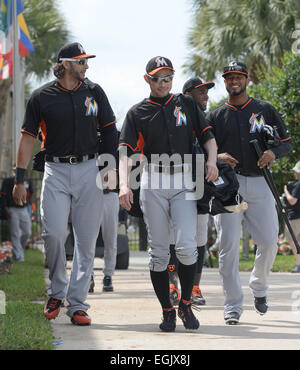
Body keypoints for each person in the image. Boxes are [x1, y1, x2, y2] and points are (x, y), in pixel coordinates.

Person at [12, 42, 118, 326]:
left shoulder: (95, 92)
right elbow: (27, 139)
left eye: (86, 62)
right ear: (67, 64)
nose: (87, 66)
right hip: (55, 170)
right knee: (54, 233)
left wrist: (110, 168)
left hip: (89, 168)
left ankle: (78, 304)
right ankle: (57, 292)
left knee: (86, 241)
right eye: (82, 61)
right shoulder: (41, 97)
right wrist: (20, 178)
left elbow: (110, 131)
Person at [119, 56, 218, 332]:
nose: (162, 83)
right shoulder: (137, 112)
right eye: (157, 78)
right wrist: (125, 185)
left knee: (187, 246)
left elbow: (208, 136)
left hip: (185, 176)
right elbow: (125, 151)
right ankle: (167, 310)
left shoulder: (186, 103)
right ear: (147, 79)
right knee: (159, 253)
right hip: (154, 178)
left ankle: (185, 303)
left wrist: (211, 160)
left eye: (167, 78)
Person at [206, 61, 292, 325]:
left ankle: (259, 286)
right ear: (225, 81)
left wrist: (272, 152)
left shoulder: (264, 109)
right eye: (229, 77)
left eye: (238, 76)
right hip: (230, 186)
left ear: (247, 80)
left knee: (268, 240)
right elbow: (202, 148)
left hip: (259, 181)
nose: (234, 80)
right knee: (228, 245)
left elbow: (286, 143)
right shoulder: (215, 115)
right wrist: (217, 155)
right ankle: (232, 305)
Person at [168, 77, 215, 306]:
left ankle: (194, 285)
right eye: (200, 91)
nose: (205, 95)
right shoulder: (176, 115)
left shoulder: (207, 119)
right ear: (187, 95)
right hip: (176, 178)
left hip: (199, 182)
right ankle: (170, 283)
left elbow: (213, 146)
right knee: (170, 234)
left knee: (199, 235)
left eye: (206, 91)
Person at [1, 166, 33, 262]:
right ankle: (19, 256)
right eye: (15, 168)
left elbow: (31, 194)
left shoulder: (27, 180)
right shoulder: (7, 181)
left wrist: (29, 206)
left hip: (24, 209)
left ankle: (20, 250)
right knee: (15, 233)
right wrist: (6, 209)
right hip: (12, 209)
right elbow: (2, 196)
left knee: (27, 232)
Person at [283, 161, 300, 272]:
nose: (294, 173)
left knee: (293, 241)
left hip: (294, 217)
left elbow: (292, 200)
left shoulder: (298, 184)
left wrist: (286, 191)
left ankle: (299, 264)